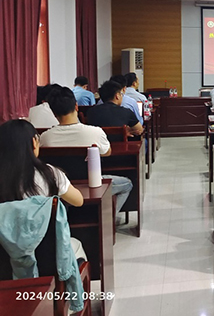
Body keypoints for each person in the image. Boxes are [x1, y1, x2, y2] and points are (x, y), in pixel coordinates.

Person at [0, 119, 87, 312]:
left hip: (5, 268)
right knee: (75, 246)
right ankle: (71, 305)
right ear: (34, 142)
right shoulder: (49, 175)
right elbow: (78, 200)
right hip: (48, 263)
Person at [41, 86, 133, 214]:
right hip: (91, 185)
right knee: (127, 184)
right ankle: (109, 218)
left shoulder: (45, 137)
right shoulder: (95, 132)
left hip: (60, 189)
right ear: (76, 106)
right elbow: (107, 152)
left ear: (54, 113)